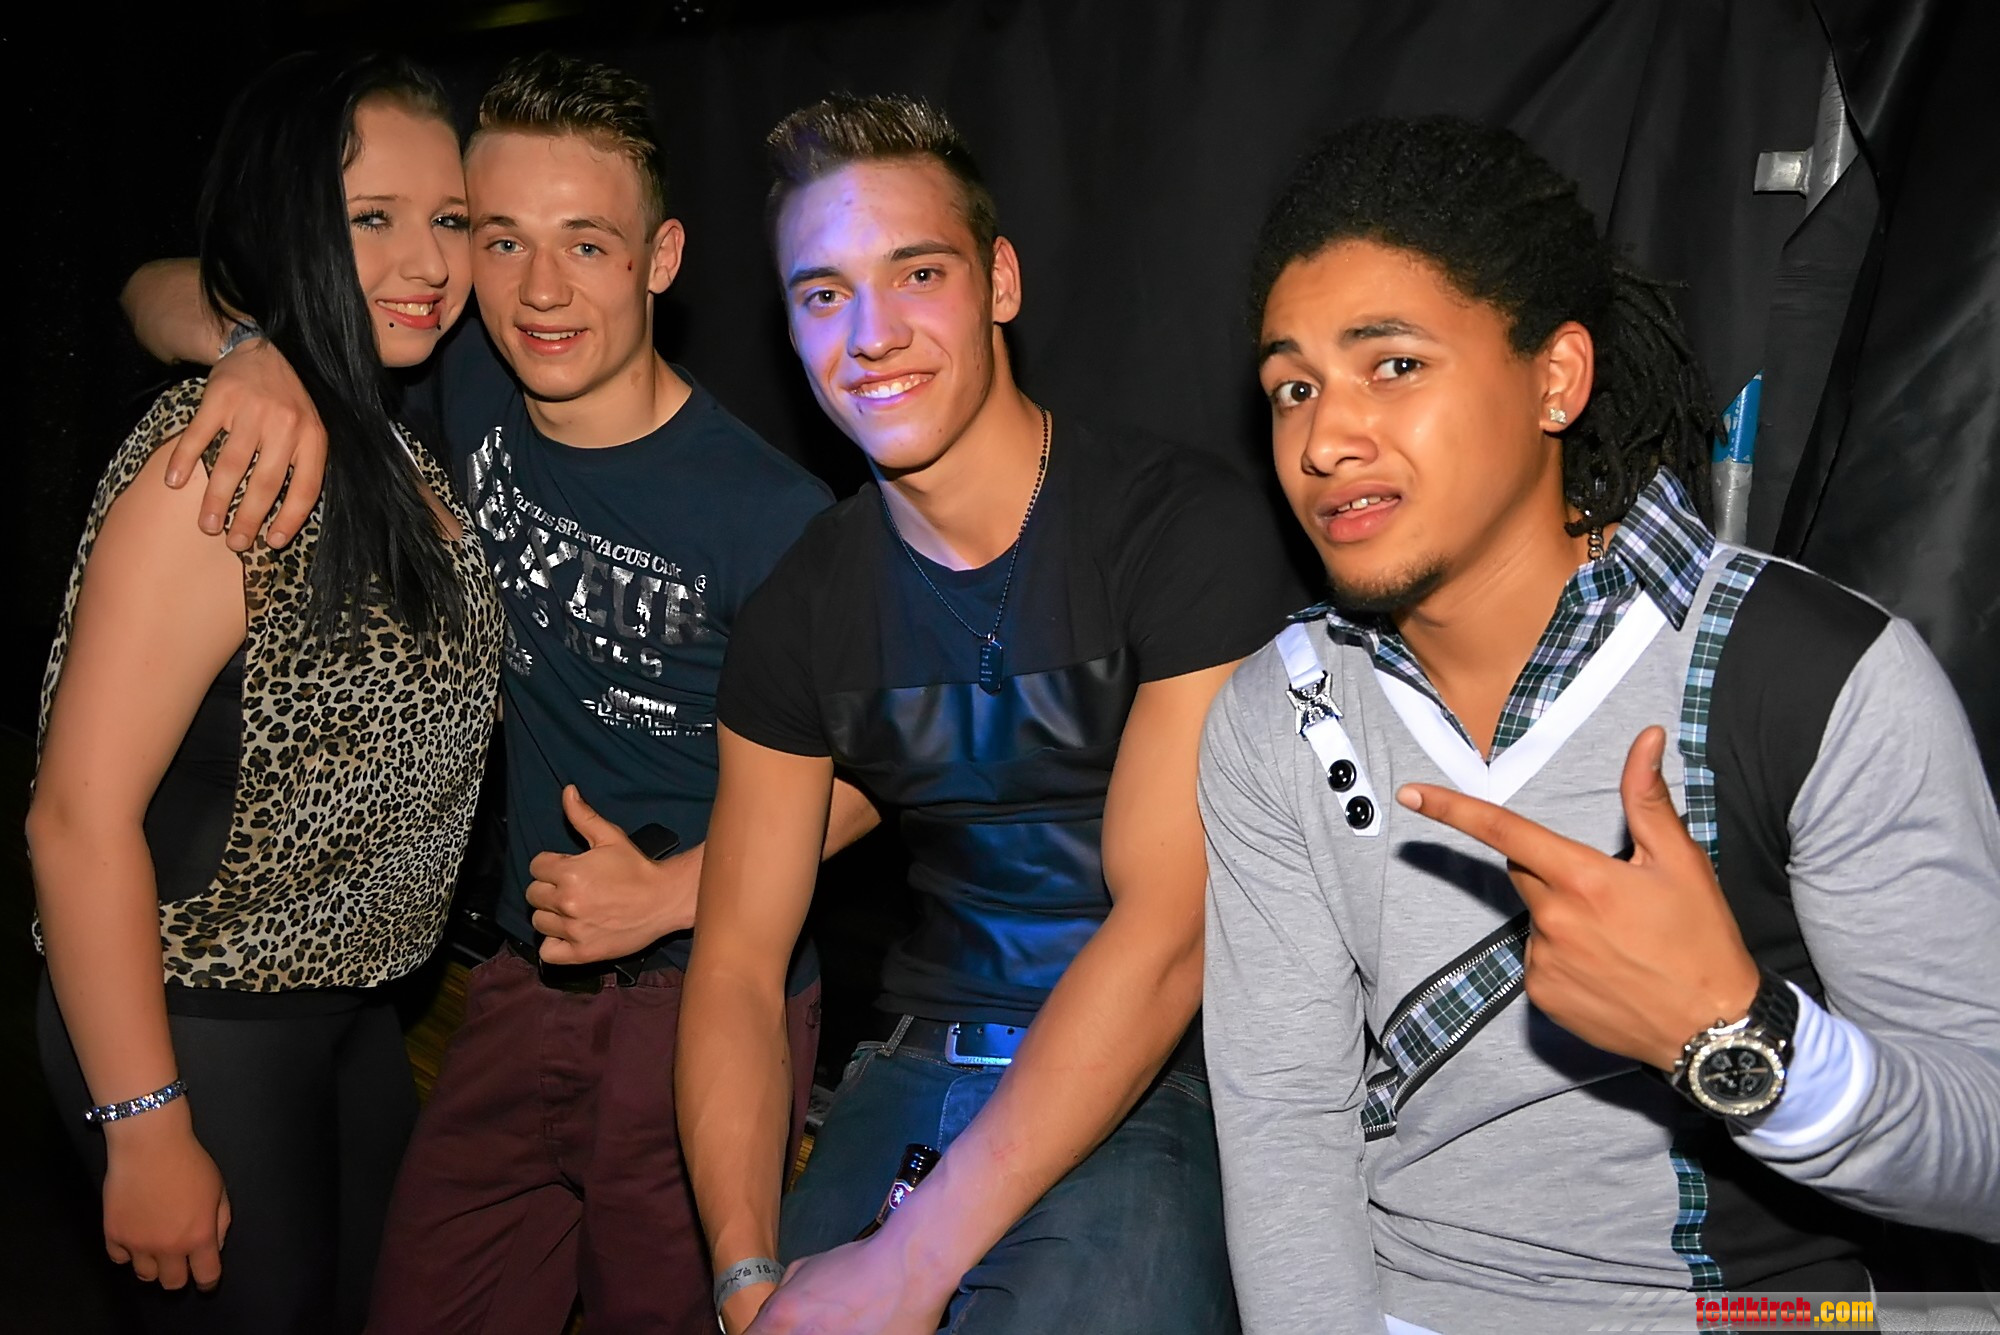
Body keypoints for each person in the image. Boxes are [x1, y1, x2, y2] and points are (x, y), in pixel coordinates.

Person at [1198, 115, 2000, 1335]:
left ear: (1554, 379)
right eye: (1290, 389)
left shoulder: (1810, 674)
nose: (1323, 439)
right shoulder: (1278, 711)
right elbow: (1283, 1127)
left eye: (1392, 365)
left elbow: (1984, 1151)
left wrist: (1732, 1037)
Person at [123, 53, 877, 1334]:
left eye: (585, 243)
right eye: (501, 239)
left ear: (660, 258)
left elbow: (882, 777)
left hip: (709, 997)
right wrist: (258, 348)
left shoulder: (777, 519)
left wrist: (674, 891)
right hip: (521, 985)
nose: (539, 290)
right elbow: (149, 290)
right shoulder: (460, 378)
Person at [676, 93, 1301, 1335]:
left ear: (998, 281)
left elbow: (1166, 933)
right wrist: (746, 1280)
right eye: (822, 294)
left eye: (917, 273)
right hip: (913, 1059)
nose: (871, 335)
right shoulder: (798, 610)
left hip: (1163, 1068)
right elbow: (737, 968)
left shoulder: (1175, 529)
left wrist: (904, 1267)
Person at [31, 52, 503, 1335]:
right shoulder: (222, 459)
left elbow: (159, 290)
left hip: (347, 1010)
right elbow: (74, 821)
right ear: (290, 224)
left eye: (450, 219)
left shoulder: (386, 428)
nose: (426, 263)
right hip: (197, 1015)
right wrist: (144, 1125)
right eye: (372, 218)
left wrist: (255, 339)